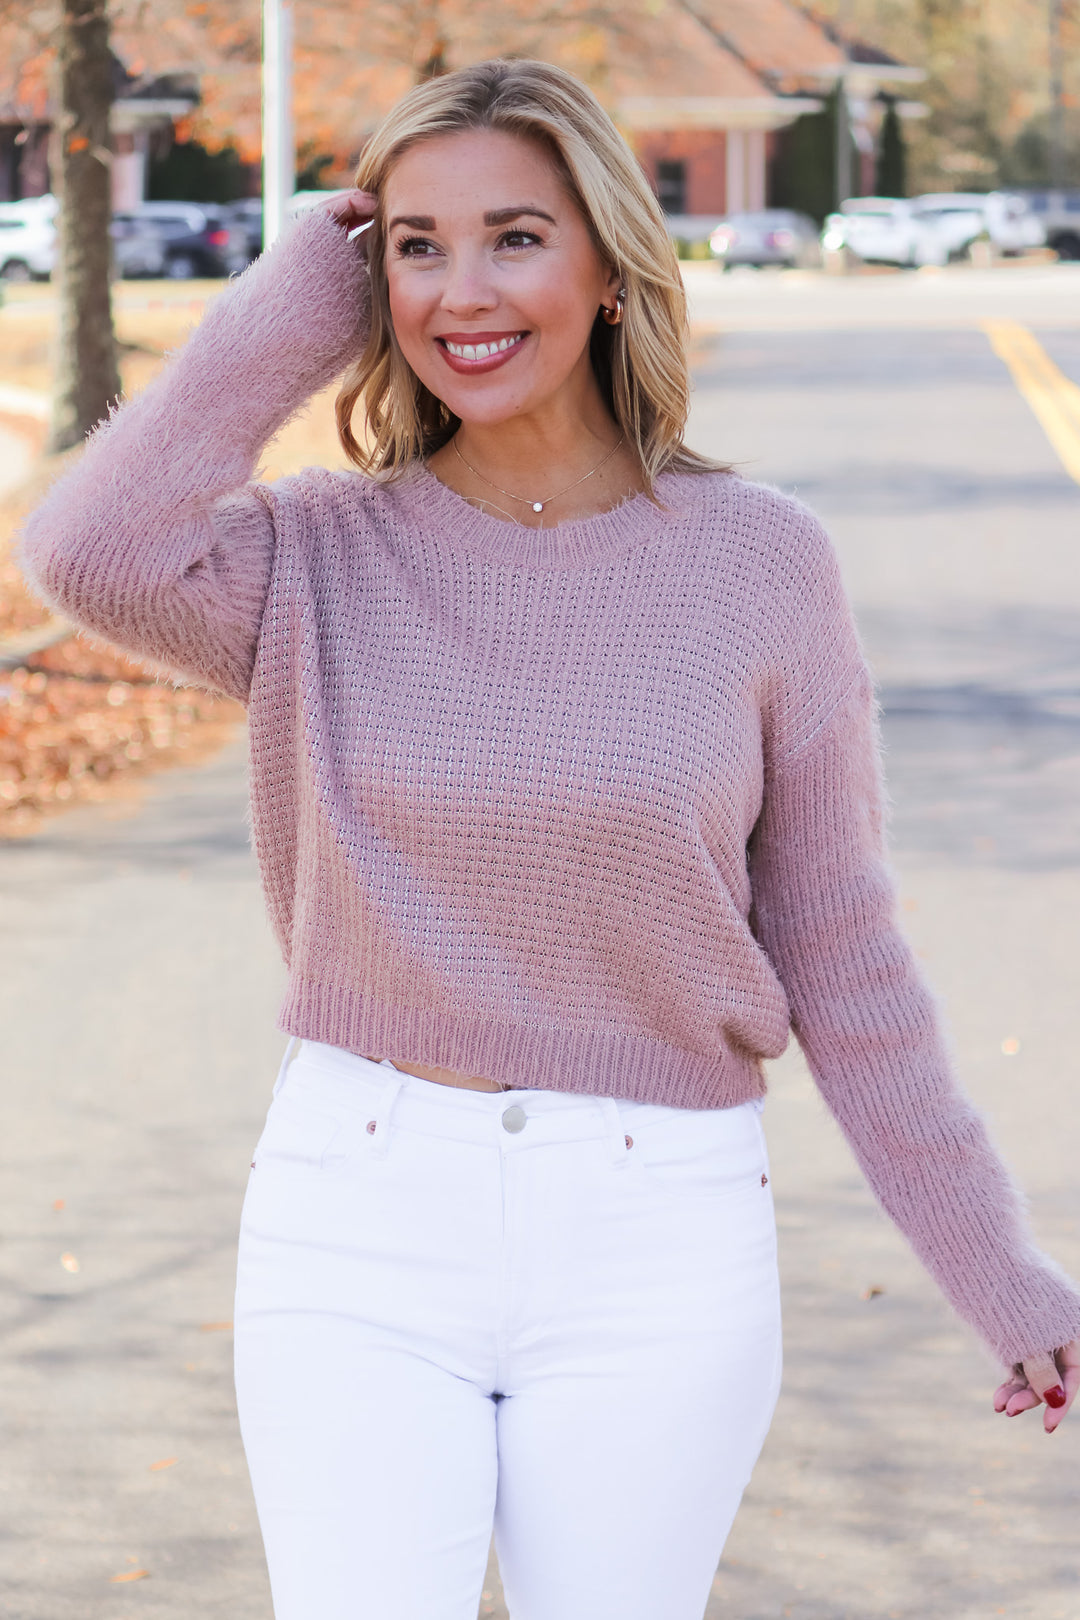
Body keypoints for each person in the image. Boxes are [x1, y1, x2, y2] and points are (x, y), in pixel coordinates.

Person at [18, 56, 1080, 1620]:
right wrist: (285, 312)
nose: (464, 291)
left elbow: (843, 950)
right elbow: (84, 550)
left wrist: (999, 1271)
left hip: (655, 1229)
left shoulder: (762, 565)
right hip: (359, 1211)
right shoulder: (315, 557)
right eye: (418, 247)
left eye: (515, 236)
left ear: (606, 264)